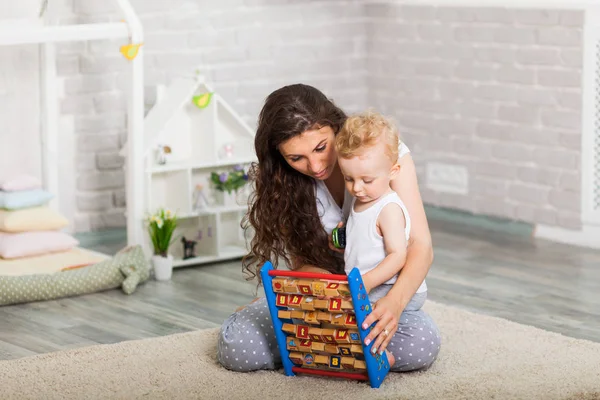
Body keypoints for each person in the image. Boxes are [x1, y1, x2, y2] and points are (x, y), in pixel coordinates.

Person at [217, 84, 440, 372]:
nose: (315, 165)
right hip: (326, 293)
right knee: (237, 348)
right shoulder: (284, 183)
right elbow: (304, 266)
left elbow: (420, 246)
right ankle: (341, 353)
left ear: (336, 128)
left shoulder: (381, 155)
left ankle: (319, 353)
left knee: (420, 343)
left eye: (321, 147)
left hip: (379, 294)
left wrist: (394, 304)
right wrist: (327, 298)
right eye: (296, 158)